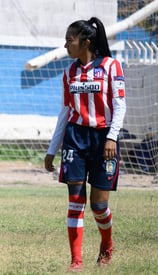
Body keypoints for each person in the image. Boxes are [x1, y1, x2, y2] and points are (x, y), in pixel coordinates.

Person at [44, 17, 126, 272]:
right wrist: (51, 149)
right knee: (75, 202)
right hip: (75, 140)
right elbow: (65, 111)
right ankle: (76, 261)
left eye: (70, 40)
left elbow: (120, 105)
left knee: (99, 206)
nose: (66, 44)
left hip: (104, 140)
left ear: (86, 42)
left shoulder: (112, 67)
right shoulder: (69, 72)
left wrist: (112, 136)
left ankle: (106, 243)